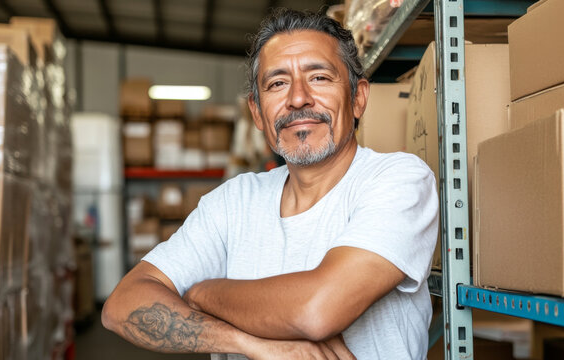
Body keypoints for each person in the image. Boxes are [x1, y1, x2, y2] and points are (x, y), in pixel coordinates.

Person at [102, 8, 438, 360]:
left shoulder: (399, 180)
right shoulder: (233, 201)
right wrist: (251, 345)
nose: (297, 98)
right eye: (277, 84)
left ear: (358, 98)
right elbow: (121, 306)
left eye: (320, 78)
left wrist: (202, 293)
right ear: (258, 113)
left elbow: (316, 311)